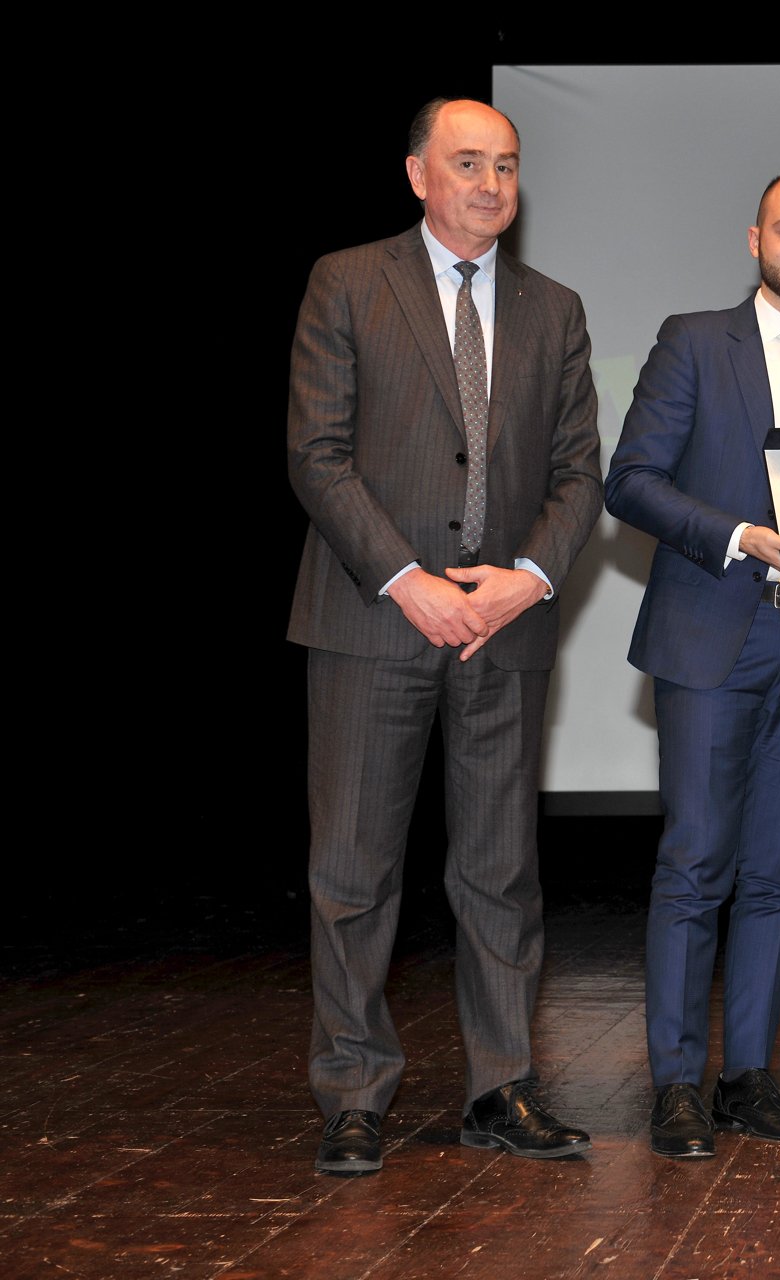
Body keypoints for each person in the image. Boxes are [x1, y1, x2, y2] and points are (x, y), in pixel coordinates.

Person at [287, 98, 602, 1175]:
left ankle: (500, 1089)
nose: (490, 184)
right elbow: (317, 454)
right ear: (418, 174)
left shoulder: (554, 307)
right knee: (353, 872)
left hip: (501, 628)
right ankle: (353, 1094)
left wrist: (527, 579)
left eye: (506, 165)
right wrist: (407, 579)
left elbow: (579, 472)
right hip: (372, 617)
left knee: (500, 872)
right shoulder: (348, 281)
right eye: (468, 163)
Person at [605, 171, 780, 1159]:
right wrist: (736, 534)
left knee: (779, 869)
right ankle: (677, 1085)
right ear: (755, 239)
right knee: (695, 863)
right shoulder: (695, 340)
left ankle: (748, 1077)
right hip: (712, 631)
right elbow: (630, 479)